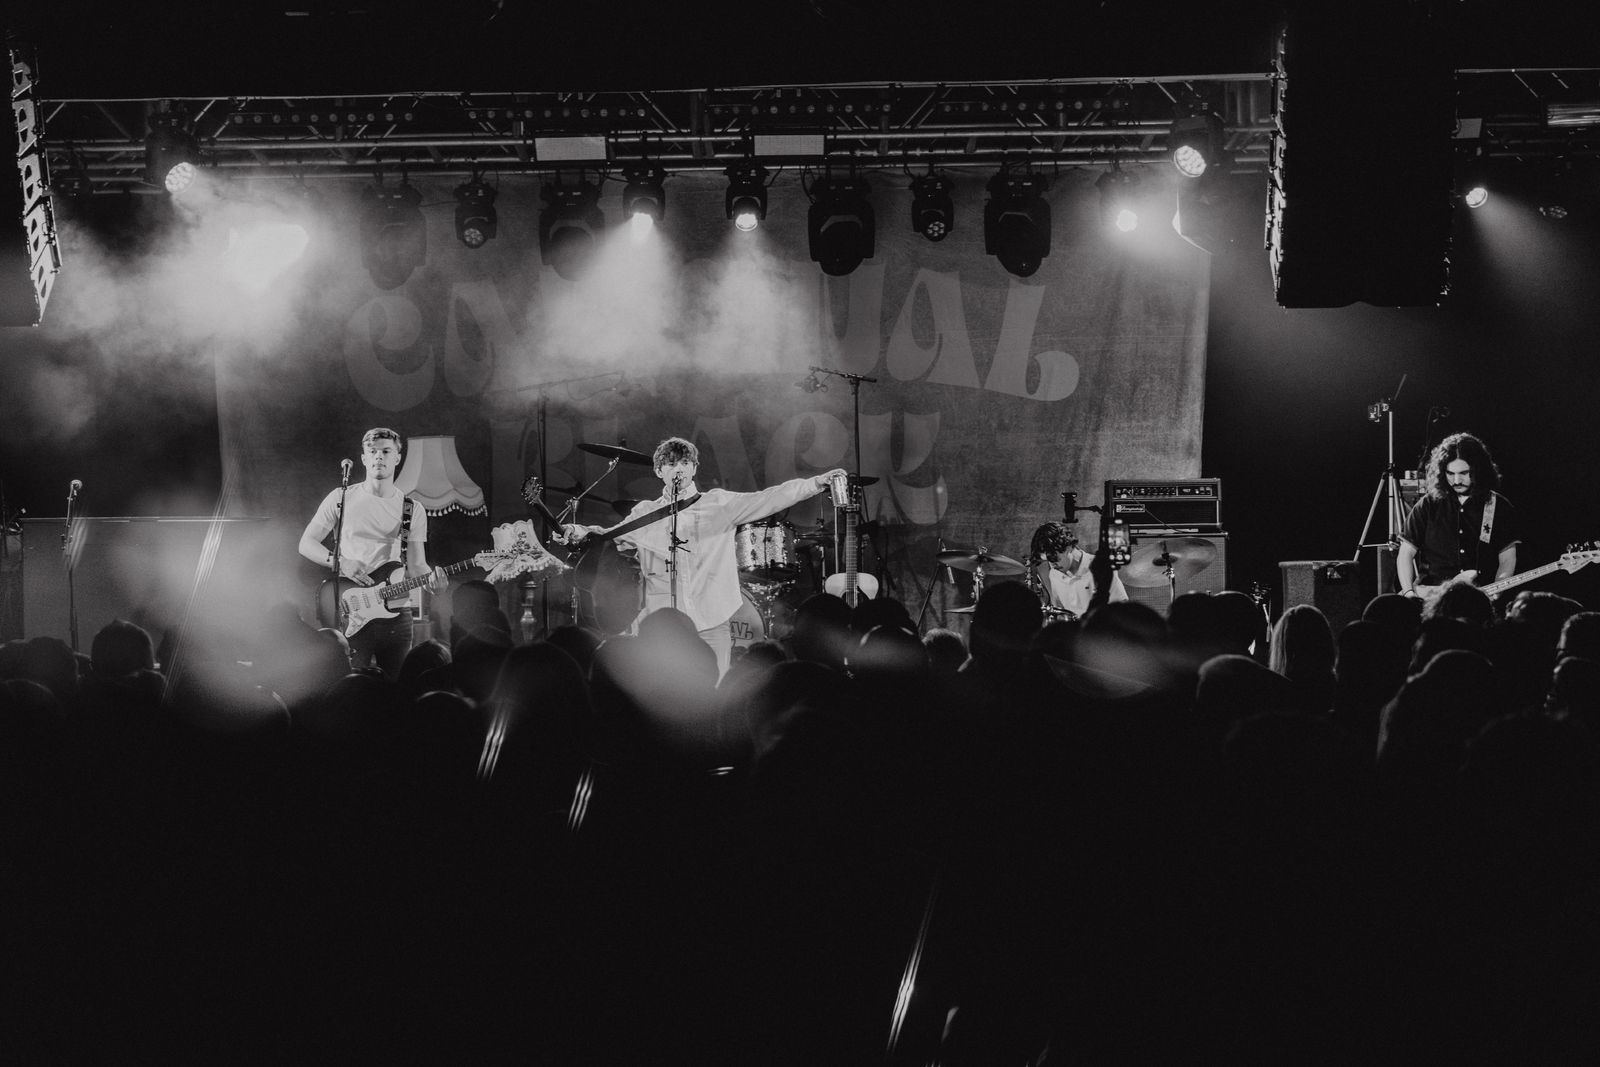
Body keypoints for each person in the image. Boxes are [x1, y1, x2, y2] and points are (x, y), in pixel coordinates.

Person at [560, 437, 845, 675]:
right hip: (660, 624)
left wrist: (817, 482)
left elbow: (771, 497)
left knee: (713, 691)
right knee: (664, 694)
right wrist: (577, 530)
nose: (679, 469)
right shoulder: (645, 513)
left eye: (685, 463)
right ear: (659, 471)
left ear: (695, 468)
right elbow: (610, 536)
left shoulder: (719, 504)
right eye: (671, 464)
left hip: (711, 619)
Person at [298, 427, 445, 678]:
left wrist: (434, 584)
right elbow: (306, 543)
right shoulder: (341, 498)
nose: (379, 456)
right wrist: (340, 562)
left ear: (397, 458)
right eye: (373, 451)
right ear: (364, 458)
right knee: (351, 685)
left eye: (386, 451)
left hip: (396, 607)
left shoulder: (412, 509)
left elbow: (417, 565)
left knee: (397, 686)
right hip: (352, 609)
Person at [1396, 431, 1521, 603]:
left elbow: (1507, 559)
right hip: (1432, 600)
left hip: (1478, 601)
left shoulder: (1498, 506)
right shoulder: (1428, 505)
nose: (1456, 480)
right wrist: (1409, 593)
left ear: (1478, 470)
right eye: (1450, 473)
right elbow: (1405, 553)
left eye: (1463, 473)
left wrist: (1496, 591)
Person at [1027, 520, 1127, 619]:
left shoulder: (1101, 567)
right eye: (1048, 561)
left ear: (1068, 546)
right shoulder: (1054, 574)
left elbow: (1121, 609)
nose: (1052, 566)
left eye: (1054, 559)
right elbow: (1060, 611)